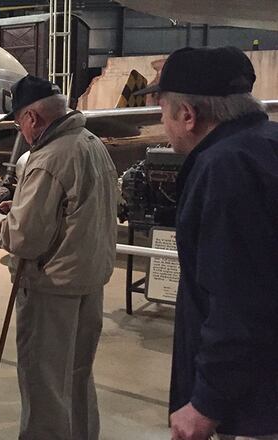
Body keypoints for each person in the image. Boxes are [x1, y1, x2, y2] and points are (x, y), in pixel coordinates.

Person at [135, 46, 278, 440]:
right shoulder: (265, 144)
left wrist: (206, 402)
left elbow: (238, 298)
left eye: (162, 110)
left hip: (253, 405)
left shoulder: (225, 167)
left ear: (188, 115)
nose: (161, 121)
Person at [0, 75, 119, 440]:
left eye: (19, 124)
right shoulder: (91, 144)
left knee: (44, 383)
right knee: (77, 375)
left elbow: (24, 239)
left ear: (32, 117)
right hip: (89, 280)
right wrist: (22, 207)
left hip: (51, 287)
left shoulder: (48, 158)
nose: (22, 133)